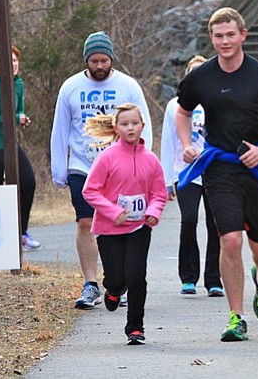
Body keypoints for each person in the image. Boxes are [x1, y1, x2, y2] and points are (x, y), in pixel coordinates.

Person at [176, 7, 258, 342]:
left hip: (257, 168)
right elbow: (182, 111)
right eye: (218, 36)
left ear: (243, 35)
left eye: (231, 34)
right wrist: (188, 144)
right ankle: (236, 317)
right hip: (219, 166)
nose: (225, 41)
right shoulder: (200, 78)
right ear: (211, 39)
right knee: (229, 240)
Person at [50, 31, 153, 309]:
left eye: (104, 60)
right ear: (86, 60)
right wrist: (58, 169)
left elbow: (145, 125)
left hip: (120, 167)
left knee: (122, 224)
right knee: (85, 222)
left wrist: (145, 163)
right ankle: (91, 284)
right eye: (94, 61)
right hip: (82, 165)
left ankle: (122, 281)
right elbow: (60, 129)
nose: (99, 66)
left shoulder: (127, 86)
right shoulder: (70, 87)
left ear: (111, 59)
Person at [82, 103, 167, 345]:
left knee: (137, 276)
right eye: (125, 124)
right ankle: (112, 290)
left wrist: (153, 212)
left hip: (139, 227)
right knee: (118, 279)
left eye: (135, 123)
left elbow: (159, 194)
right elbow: (91, 191)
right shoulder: (106, 158)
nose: (130, 127)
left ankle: (135, 327)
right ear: (116, 128)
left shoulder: (151, 160)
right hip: (109, 229)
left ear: (143, 126)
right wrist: (113, 212)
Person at [160, 55, 224, 297]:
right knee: (189, 219)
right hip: (185, 172)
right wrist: (166, 181)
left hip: (215, 170)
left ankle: (213, 279)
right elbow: (167, 142)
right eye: (193, 73)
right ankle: (188, 277)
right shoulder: (175, 106)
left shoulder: (218, 101)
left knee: (215, 223)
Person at [0, 45, 40, 250]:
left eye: (15, 60)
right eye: (9, 60)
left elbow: (18, 109)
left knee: (28, 181)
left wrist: (22, 119)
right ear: (0, 65)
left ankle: (21, 233)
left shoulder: (18, 84)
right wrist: (12, 118)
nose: (13, 64)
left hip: (10, 144)